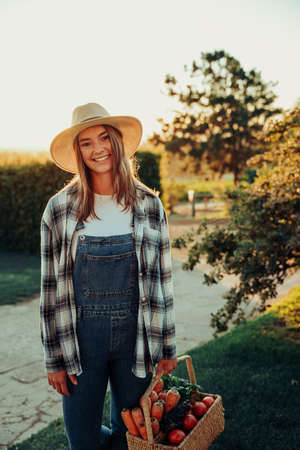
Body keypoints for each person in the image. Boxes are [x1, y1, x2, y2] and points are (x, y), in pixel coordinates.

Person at [40, 102, 178, 450]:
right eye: (86, 142)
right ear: (78, 151)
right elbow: (51, 288)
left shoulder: (148, 205)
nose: (97, 148)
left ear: (117, 142)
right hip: (81, 340)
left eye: (103, 138)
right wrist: (53, 358)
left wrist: (167, 346)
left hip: (138, 337)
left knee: (133, 435)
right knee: (83, 439)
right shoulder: (60, 209)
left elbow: (162, 280)